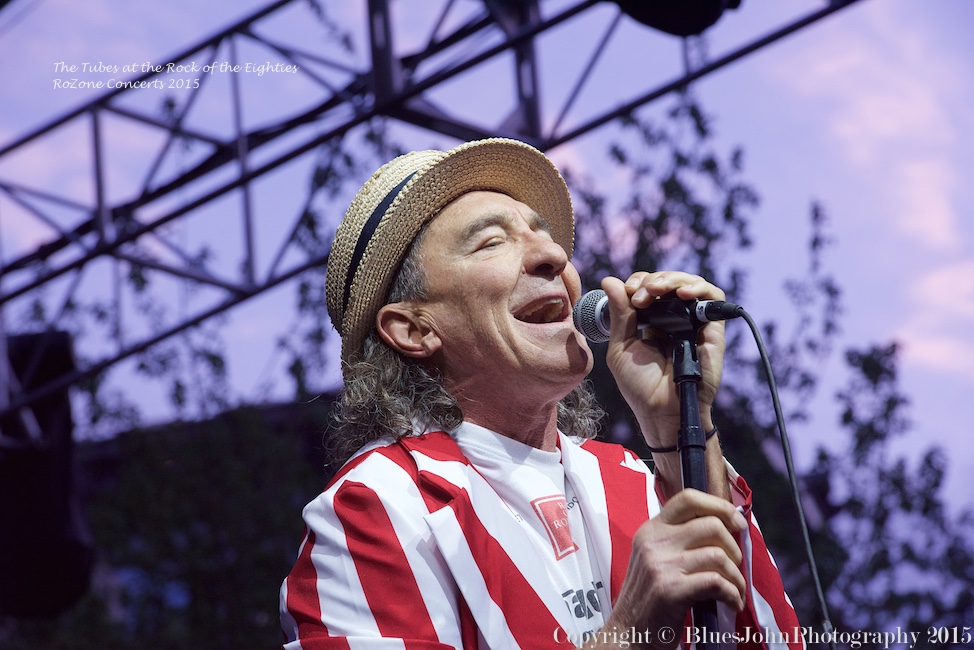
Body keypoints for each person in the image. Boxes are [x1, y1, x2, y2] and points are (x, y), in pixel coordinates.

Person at [280, 138, 804, 649]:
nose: (554, 255)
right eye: (491, 242)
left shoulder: (630, 481)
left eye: (544, 234)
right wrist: (631, 634)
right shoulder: (377, 508)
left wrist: (677, 426)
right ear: (414, 330)